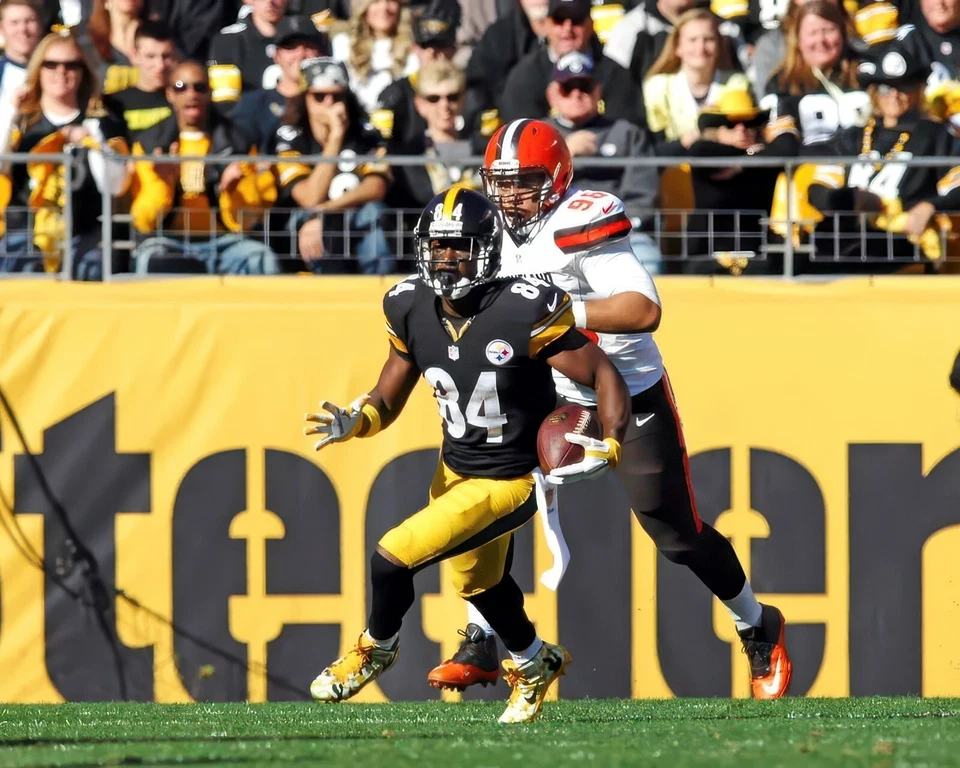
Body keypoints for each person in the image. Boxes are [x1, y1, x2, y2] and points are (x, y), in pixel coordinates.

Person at [428, 119, 793, 702]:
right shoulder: (489, 225)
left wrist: (549, 310)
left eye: (522, 182)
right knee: (490, 500)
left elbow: (642, 309)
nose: (508, 196)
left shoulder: (583, 217)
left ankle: (756, 622)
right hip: (541, 386)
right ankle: (481, 635)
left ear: (556, 178)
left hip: (622, 384)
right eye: (499, 183)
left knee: (674, 532)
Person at [304, 186, 631, 724]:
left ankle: (375, 648)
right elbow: (387, 397)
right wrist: (355, 420)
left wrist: (611, 440)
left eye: (459, 246)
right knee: (481, 585)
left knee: (391, 558)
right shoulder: (408, 304)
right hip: (453, 470)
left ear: (487, 248)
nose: (447, 256)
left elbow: (600, 373)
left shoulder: (523, 307)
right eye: (438, 245)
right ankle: (532, 662)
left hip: (510, 480)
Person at [803, 54, 960, 272]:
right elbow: (819, 187)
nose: (894, 96)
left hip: (902, 243)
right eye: (886, 89)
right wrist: (852, 199)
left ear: (918, 90)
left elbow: (956, 185)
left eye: (904, 87)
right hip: (848, 237)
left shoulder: (935, 136)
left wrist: (929, 206)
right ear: (875, 93)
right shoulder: (855, 136)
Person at [0, 29, 131, 277]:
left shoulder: (103, 121)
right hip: (27, 238)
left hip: (86, 237)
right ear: (38, 69)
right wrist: (11, 112)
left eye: (72, 65)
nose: (62, 72)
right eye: (51, 64)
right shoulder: (21, 122)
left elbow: (116, 185)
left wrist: (95, 142)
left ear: (83, 71)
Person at [130, 59, 279, 274]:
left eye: (200, 87)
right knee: (151, 259)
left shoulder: (238, 143)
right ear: (170, 94)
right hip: (169, 241)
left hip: (225, 242)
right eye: (181, 87)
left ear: (209, 93)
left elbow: (247, 222)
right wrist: (163, 184)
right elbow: (144, 221)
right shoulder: (151, 144)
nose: (191, 94)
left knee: (260, 258)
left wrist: (230, 190)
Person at [273, 56, 393, 273]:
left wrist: (327, 211)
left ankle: (378, 288)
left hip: (353, 216)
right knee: (306, 223)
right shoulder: (291, 138)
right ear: (304, 98)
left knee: (375, 212)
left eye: (336, 96)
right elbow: (309, 198)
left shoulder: (366, 134)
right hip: (306, 223)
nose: (329, 103)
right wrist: (335, 138)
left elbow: (377, 186)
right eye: (319, 96)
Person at [544, 51, 662, 270]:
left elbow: (642, 196)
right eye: (568, 88)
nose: (577, 94)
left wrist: (610, 229)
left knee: (650, 262)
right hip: (550, 234)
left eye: (585, 87)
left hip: (617, 236)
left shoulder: (627, 134)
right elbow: (524, 190)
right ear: (553, 95)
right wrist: (564, 152)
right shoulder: (538, 135)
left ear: (598, 91)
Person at [499, 0, 643, 128]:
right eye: (559, 21)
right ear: (547, 25)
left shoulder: (614, 72)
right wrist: (565, 144)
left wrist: (593, 142)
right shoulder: (526, 75)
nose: (567, 29)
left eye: (576, 20)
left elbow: (628, 132)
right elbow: (520, 135)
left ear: (591, 24)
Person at [760, 0, 870, 144]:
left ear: (843, 33)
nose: (821, 40)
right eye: (812, 33)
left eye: (829, 30)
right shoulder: (782, 83)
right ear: (798, 38)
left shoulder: (868, 71)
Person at [642, 8, 750, 153]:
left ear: (719, 45)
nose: (700, 48)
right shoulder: (657, 87)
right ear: (677, 47)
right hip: (676, 171)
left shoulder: (738, 83)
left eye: (709, 39)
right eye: (692, 40)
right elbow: (654, 149)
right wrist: (702, 134)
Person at [229, 15, 326, 152]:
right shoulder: (252, 105)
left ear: (321, 53)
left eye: (309, 46)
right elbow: (234, 158)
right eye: (291, 47)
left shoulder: (333, 101)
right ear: (276, 56)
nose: (301, 54)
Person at [329, 0, 418, 115]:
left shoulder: (413, 50)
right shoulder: (343, 44)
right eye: (376, 1)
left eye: (391, 1)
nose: (384, 8)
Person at [207, 0, 289, 108]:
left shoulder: (305, 41)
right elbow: (225, 105)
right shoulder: (227, 42)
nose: (271, 2)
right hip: (244, 121)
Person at [102, 20, 176, 137]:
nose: (160, 65)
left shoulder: (186, 98)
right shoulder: (113, 103)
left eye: (166, 56)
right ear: (134, 56)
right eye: (150, 56)